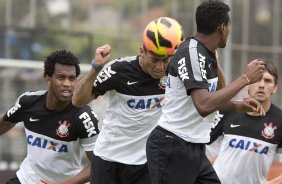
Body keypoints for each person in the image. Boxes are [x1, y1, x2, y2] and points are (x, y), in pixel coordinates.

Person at [145, 1, 266, 184]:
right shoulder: (191, 53)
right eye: (229, 26)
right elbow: (203, 105)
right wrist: (245, 79)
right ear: (223, 27)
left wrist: (236, 105)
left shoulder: (207, 54)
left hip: (192, 147)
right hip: (172, 146)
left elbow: (208, 99)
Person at [72, 17, 184, 184]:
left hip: (146, 163)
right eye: (155, 60)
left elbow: (215, 91)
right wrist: (96, 67)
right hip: (108, 159)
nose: (160, 67)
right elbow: (77, 101)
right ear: (142, 51)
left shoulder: (175, 72)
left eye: (165, 60)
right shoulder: (119, 70)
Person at [0, 49, 100, 184]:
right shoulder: (28, 101)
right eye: (61, 77)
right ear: (48, 78)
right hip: (26, 179)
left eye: (72, 78)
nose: (67, 84)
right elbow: (5, 123)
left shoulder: (84, 117)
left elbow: (98, 164)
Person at [207, 61, 282, 184]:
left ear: (275, 88)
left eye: (268, 81)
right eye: (257, 80)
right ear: (247, 85)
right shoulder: (228, 111)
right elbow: (204, 152)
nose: (261, 85)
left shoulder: (279, 121)